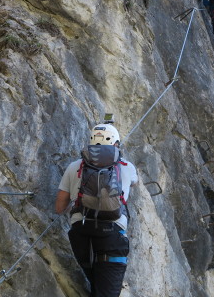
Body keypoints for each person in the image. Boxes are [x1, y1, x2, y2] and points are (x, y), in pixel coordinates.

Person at [55, 123, 138, 297]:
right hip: (113, 235)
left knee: (95, 286)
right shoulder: (127, 167)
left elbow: (59, 208)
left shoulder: (74, 166)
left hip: (81, 233)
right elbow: (134, 183)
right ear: (116, 144)